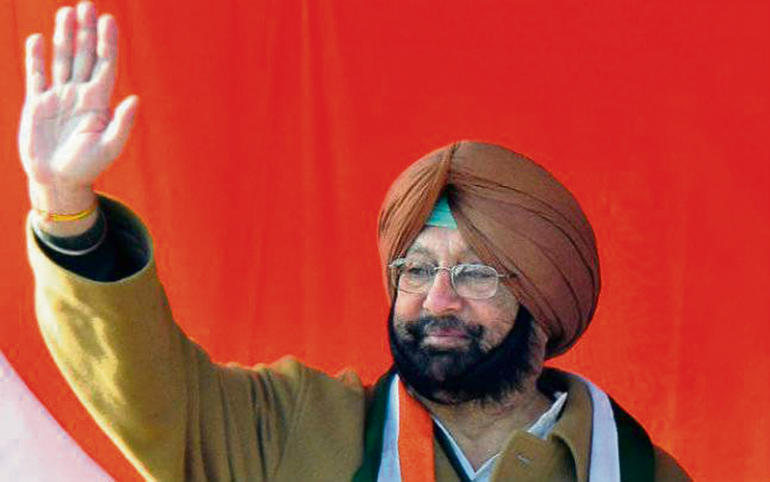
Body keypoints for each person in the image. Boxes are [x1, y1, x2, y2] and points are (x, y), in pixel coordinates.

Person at [19, 3, 690, 481]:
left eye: (477, 274)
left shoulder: (633, 468)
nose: (438, 300)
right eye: (416, 270)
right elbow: (149, 390)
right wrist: (64, 203)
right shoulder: (295, 428)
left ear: (545, 300)